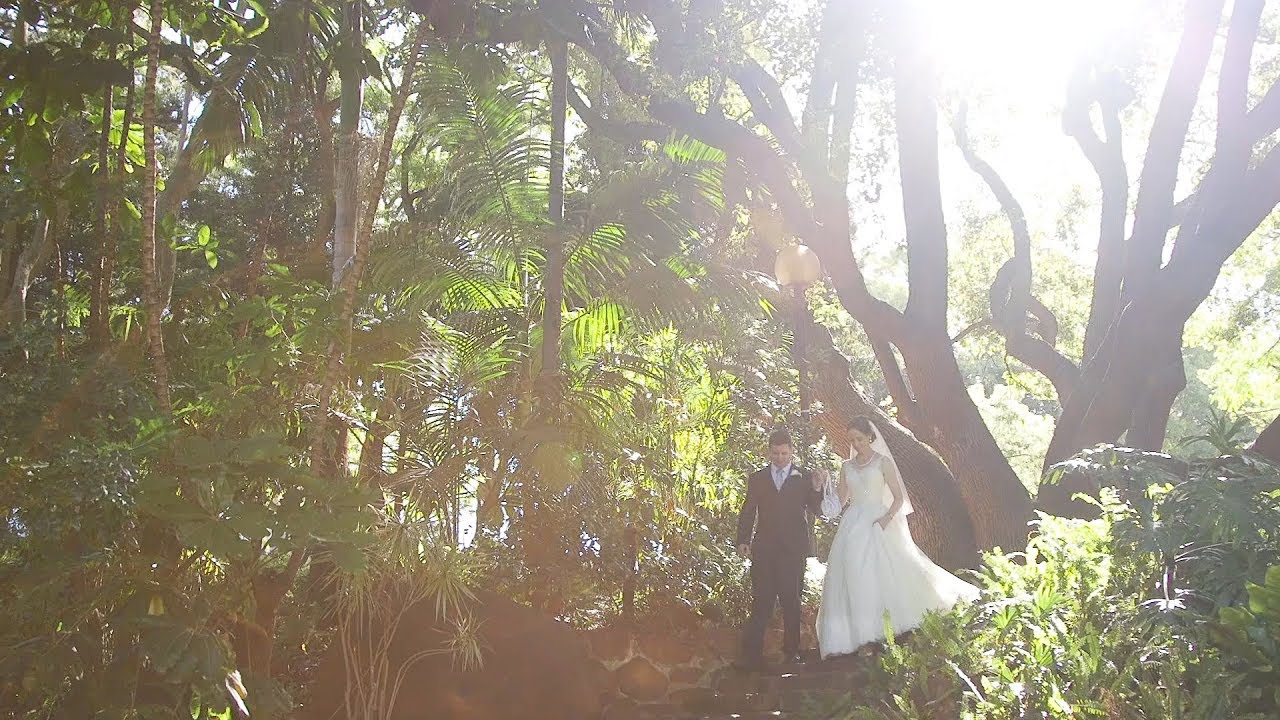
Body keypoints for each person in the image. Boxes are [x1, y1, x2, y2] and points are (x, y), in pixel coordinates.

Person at [816, 416, 980, 659]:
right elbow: (838, 502)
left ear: (870, 437)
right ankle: (861, 636)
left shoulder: (883, 463)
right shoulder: (847, 467)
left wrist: (886, 519)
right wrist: (824, 487)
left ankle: (883, 632)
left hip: (879, 522)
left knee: (887, 572)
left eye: (859, 439)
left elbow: (899, 498)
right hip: (853, 526)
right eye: (851, 440)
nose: (856, 443)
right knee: (854, 575)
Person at [735, 429, 825, 671]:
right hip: (764, 548)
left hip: (793, 548)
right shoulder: (758, 478)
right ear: (769, 452)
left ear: (791, 451)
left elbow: (817, 510)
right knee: (762, 600)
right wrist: (743, 540)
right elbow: (748, 510)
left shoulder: (804, 477)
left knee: (791, 599)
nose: (780, 458)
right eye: (775, 453)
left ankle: (792, 651)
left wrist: (817, 489)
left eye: (784, 453)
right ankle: (751, 654)